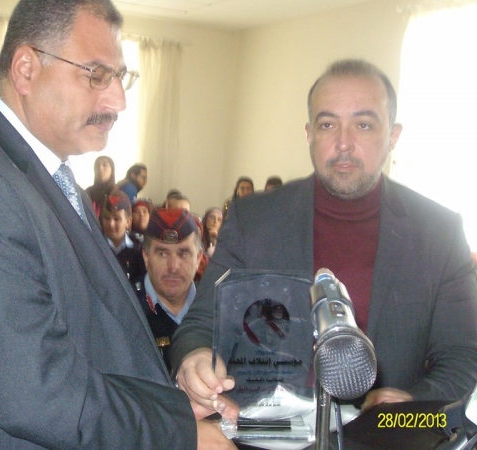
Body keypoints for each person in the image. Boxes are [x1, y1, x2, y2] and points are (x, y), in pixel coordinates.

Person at [0, 0, 236, 448]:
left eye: (121, 77)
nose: (119, 100)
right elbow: (32, 389)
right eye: (97, 74)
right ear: (26, 70)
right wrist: (178, 433)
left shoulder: (46, 172)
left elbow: (94, 338)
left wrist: (171, 405)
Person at [171, 59, 477, 418]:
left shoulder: (439, 233)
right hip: (261, 434)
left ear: (393, 137)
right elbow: (201, 325)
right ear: (309, 134)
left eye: (363, 125)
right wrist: (194, 359)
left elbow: (462, 357)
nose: (343, 143)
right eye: (328, 124)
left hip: (381, 437)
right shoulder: (252, 219)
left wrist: (413, 405)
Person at [133, 208, 203, 373]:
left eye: (183, 254)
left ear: (198, 259)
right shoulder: (125, 307)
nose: (173, 267)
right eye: (163, 254)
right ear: (146, 257)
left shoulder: (214, 308)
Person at [100, 189, 146, 282]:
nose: (111, 224)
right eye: (107, 218)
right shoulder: (96, 244)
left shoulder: (139, 247)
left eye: (116, 219)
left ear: (128, 222)